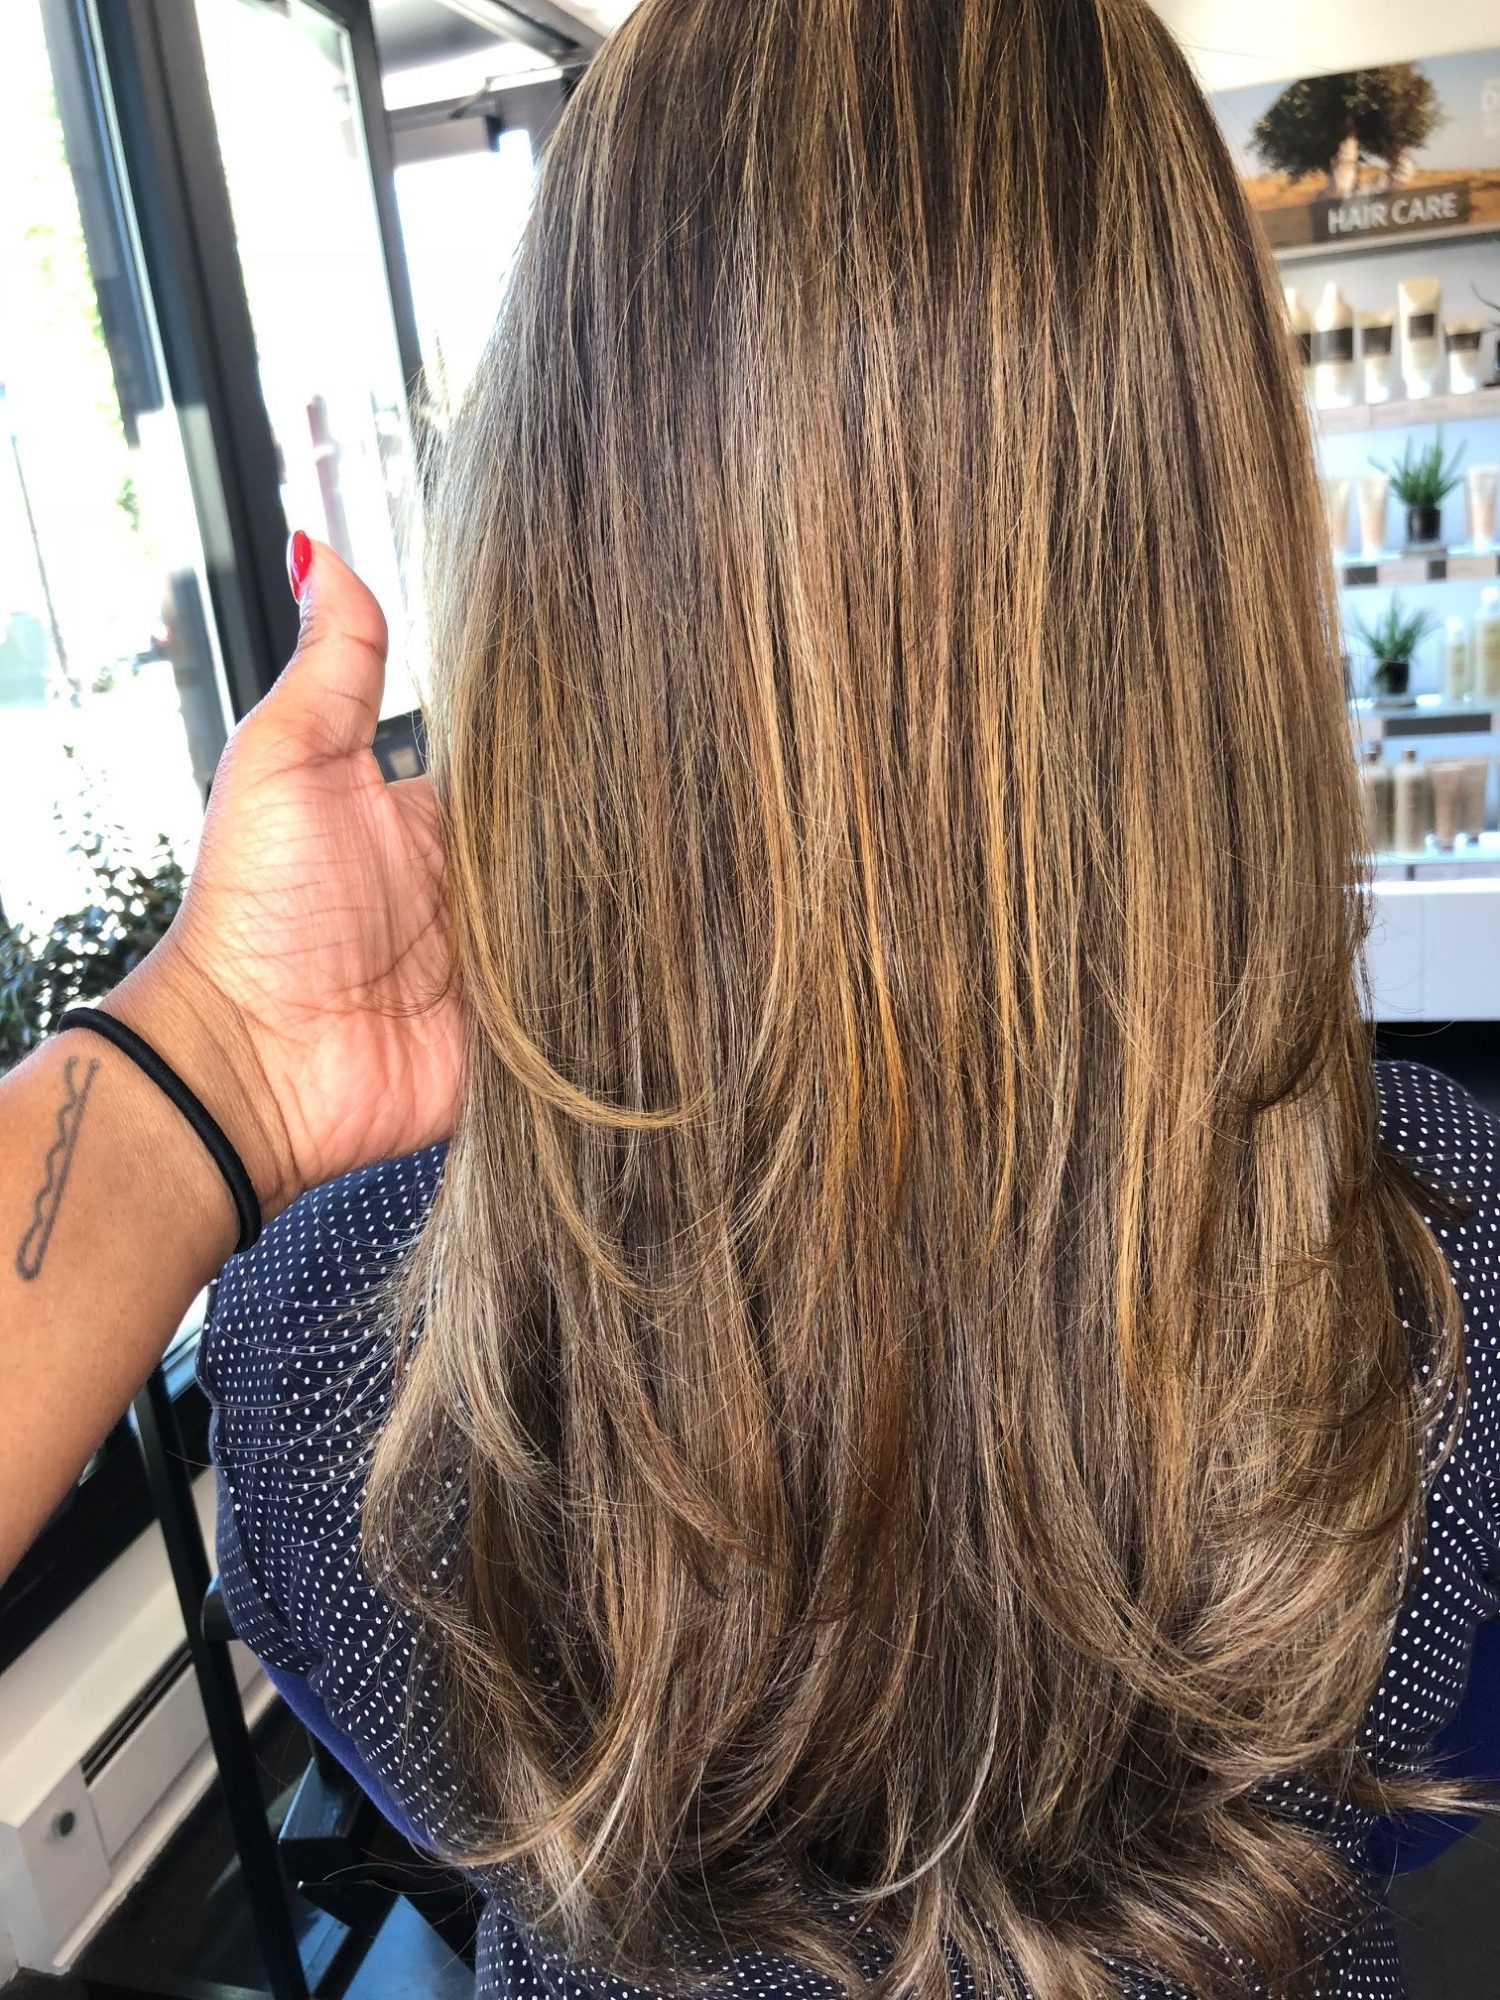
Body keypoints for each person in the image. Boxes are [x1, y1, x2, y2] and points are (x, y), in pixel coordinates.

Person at [3, 0, 1499, 1996]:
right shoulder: (1432, 1270)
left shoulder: (339, 1366)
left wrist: (214, 1052)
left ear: (559, 566)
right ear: (1212, 574)